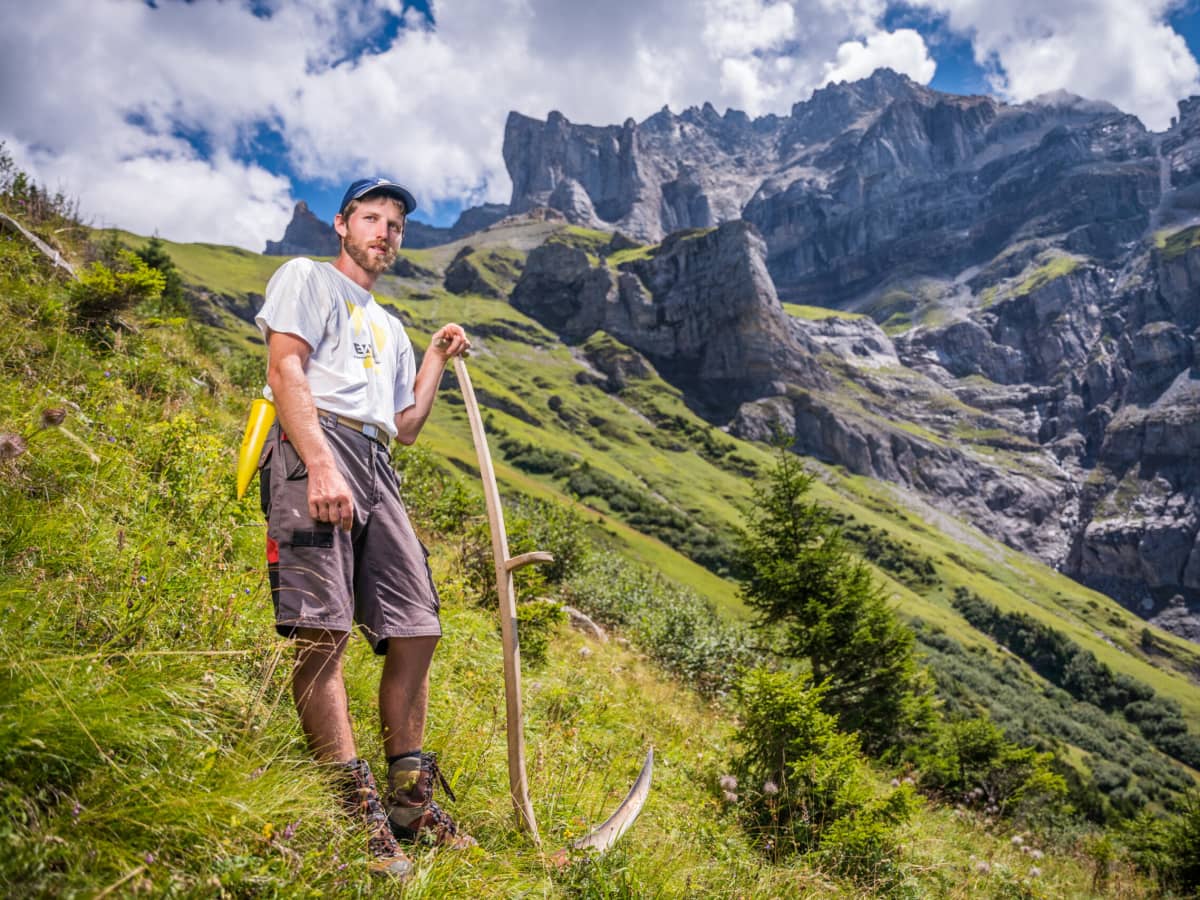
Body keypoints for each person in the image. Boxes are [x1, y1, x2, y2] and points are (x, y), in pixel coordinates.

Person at [255, 177, 473, 878]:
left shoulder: (390, 329)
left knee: (417, 623)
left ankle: (410, 801)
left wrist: (435, 356)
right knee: (321, 626)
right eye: (373, 219)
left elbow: (405, 427)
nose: (386, 232)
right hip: (314, 446)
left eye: (397, 225)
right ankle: (357, 813)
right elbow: (286, 367)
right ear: (343, 226)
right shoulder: (307, 279)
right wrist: (319, 466)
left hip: (378, 464)